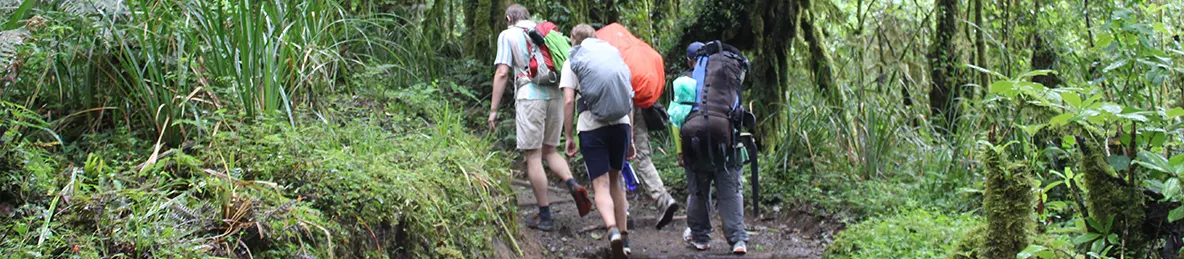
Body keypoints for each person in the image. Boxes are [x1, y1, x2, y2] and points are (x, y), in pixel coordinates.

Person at [488, 4, 592, 232]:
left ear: (508, 18)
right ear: (527, 16)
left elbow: (503, 72)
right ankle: (572, 184)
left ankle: (544, 215)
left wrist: (493, 109)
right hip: (555, 95)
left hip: (530, 97)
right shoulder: (545, 31)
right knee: (550, 151)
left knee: (533, 156)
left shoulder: (508, 35)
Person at [561, 24, 634, 258]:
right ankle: (625, 238)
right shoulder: (613, 55)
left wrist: (569, 135)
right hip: (621, 123)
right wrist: (630, 136)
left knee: (600, 184)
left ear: (574, 39)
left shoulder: (572, 61)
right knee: (617, 180)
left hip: (591, 126)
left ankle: (611, 229)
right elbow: (627, 96)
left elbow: (569, 101)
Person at [679, 41, 749, 254]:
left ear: (692, 61)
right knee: (731, 191)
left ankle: (701, 238)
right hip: (726, 145)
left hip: (695, 144)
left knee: (698, 191)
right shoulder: (727, 76)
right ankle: (737, 240)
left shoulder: (685, 82)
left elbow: (677, 119)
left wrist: (680, 152)